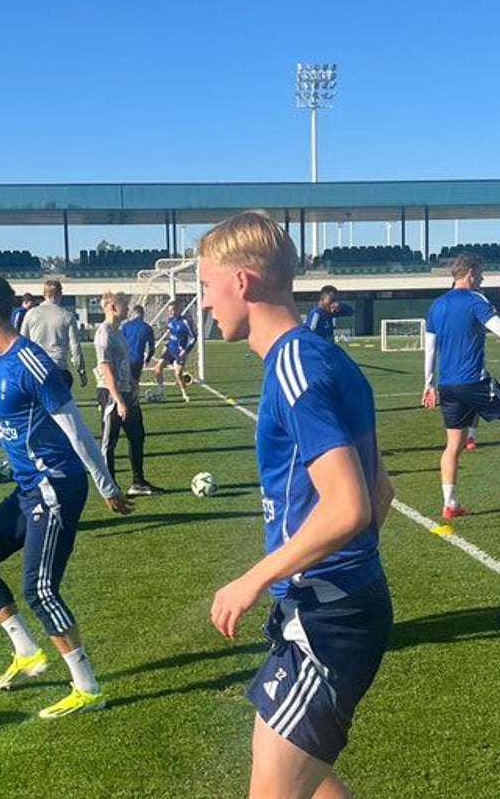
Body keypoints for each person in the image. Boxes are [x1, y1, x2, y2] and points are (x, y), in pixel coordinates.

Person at [199, 211, 393, 799]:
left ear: (242, 282)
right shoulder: (323, 356)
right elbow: (381, 487)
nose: (205, 304)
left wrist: (254, 579)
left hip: (328, 621)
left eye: (207, 287)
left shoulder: (293, 366)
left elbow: (351, 506)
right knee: (306, 782)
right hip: (323, 607)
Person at [0, 272, 132, 719]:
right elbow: (16, 423)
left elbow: (76, 430)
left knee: (40, 589)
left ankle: (88, 688)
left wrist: (106, 486)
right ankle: (27, 651)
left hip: (55, 486)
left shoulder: (31, 362)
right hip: (29, 487)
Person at [421, 253, 500, 520]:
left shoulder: (437, 305)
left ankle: (450, 503)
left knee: (454, 444)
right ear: (470, 274)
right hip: (474, 380)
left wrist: (429, 384)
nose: (484, 280)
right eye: (481, 275)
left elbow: (430, 347)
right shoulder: (476, 300)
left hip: (448, 384)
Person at [93, 292, 158, 496]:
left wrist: (132, 385)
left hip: (126, 391)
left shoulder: (118, 331)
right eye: (124, 306)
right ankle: (110, 488)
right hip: (112, 394)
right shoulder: (104, 333)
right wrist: (119, 400)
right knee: (109, 442)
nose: (128, 310)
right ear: (112, 307)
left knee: (137, 436)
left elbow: (123, 365)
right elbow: (106, 369)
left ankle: (138, 483)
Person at [20, 279, 86, 390]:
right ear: (60, 294)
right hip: (59, 366)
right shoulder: (67, 316)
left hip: (36, 367)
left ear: (43, 294)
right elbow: (75, 347)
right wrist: (81, 371)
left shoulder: (31, 314)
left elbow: (22, 343)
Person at [152, 301, 196, 402]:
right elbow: (172, 332)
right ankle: (161, 391)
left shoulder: (186, 322)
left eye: (172, 310)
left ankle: (184, 393)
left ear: (178, 310)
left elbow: (194, 337)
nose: (170, 312)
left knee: (178, 374)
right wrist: (166, 345)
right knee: (158, 368)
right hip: (170, 349)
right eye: (169, 311)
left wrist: (186, 351)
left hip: (179, 353)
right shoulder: (170, 320)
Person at [120, 303, 156, 386]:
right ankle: (134, 397)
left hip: (125, 358)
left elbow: (120, 342)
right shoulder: (147, 328)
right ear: (143, 314)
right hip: (138, 359)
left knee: (124, 383)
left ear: (133, 313)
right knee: (135, 382)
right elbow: (151, 347)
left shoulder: (126, 326)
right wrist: (148, 359)